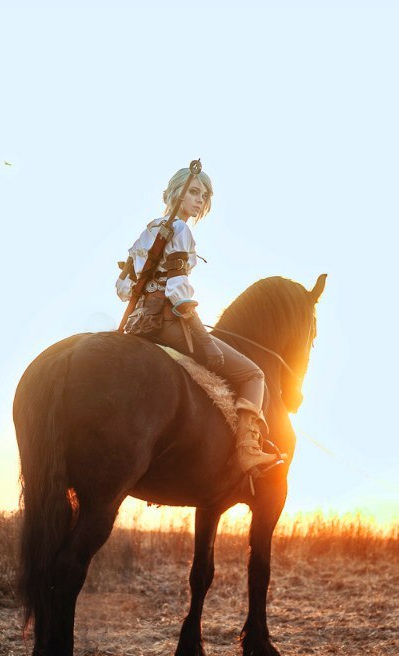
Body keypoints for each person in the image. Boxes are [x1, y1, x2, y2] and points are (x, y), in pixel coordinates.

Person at [115, 166, 284, 477]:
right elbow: (179, 294)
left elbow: (123, 288)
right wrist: (202, 339)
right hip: (167, 325)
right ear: (176, 192)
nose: (199, 200)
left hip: (139, 324)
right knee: (253, 374)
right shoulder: (180, 231)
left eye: (204, 195)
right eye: (194, 192)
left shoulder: (146, 232)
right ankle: (249, 450)